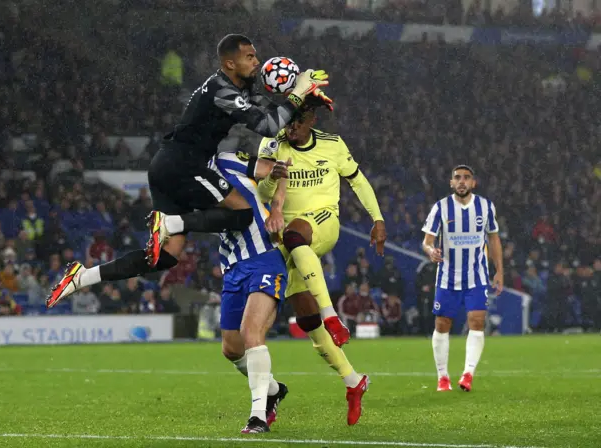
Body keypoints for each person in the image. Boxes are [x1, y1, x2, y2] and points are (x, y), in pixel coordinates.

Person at [46, 34, 330, 307]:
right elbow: (269, 127)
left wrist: (306, 97)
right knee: (243, 213)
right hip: (183, 166)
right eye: (249, 56)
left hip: (166, 167)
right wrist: (295, 94)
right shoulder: (222, 91)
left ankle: (82, 277)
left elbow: (269, 113)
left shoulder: (235, 90)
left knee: (163, 258)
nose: (256, 61)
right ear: (230, 63)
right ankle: (172, 223)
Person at [257, 100, 385, 425]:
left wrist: (378, 218)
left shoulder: (332, 144)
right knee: (305, 319)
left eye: (298, 122)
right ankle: (353, 381)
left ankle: (332, 316)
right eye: (288, 123)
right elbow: (261, 191)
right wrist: (273, 176)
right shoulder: (273, 145)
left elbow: (357, 181)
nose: (291, 128)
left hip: (323, 222)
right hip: (286, 235)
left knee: (297, 235)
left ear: (312, 119)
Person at [211, 151, 290, 434]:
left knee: (251, 331)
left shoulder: (227, 160)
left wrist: (277, 209)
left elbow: (280, 169)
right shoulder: (189, 185)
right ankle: (272, 389)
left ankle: (258, 416)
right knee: (231, 349)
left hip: (264, 257)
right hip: (232, 265)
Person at [421, 165, 504, 392]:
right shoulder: (441, 208)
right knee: (442, 325)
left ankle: (468, 374)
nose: (462, 181)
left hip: (476, 277)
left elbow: (494, 239)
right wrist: (430, 251)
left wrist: (499, 271)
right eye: (457, 177)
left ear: (473, 183)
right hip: (447, 278)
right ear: (451, 182)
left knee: (477, 322)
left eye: (466, 178)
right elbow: (427, 241)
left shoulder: (485, 207)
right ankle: (443, 377)